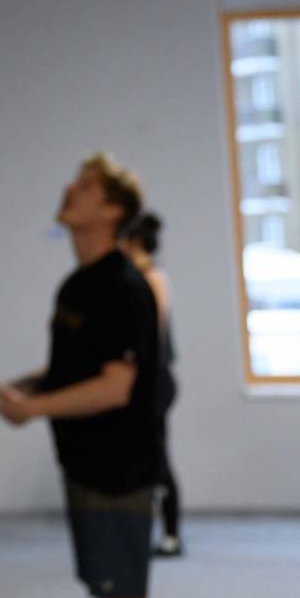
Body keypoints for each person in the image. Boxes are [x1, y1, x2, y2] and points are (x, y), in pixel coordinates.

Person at [0, 154, 163, 598]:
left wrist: (34, 410)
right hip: (83, 462)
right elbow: (70, 373)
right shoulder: (76, 286)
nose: (70, 190)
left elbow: (115, 388)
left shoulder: (125, 286)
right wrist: (13, 391)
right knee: (107, 592)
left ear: (112, 211)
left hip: (120, 471)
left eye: (86, 187)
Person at [121, 212, 182, 558]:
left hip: (155, 381)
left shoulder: (152, 277)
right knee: (142, 459)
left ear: (134, 241)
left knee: (158, 459)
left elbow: (149, 334)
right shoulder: (132, 278)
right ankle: (139, 529)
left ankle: (171, 535)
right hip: (140, 380)